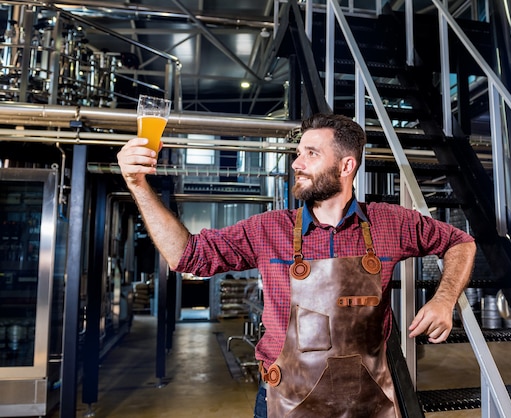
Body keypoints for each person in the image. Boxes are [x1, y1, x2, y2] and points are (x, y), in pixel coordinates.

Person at [117, 113, 476, 417]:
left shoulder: (389, 223)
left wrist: (444, 300)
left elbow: (460, 242)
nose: (296, 163)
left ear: (346, 165)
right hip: (286, 399)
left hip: (368, 400)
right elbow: (187, 254)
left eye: (311, 153)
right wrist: (138, 185)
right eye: (298, 152)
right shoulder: (269, 228)